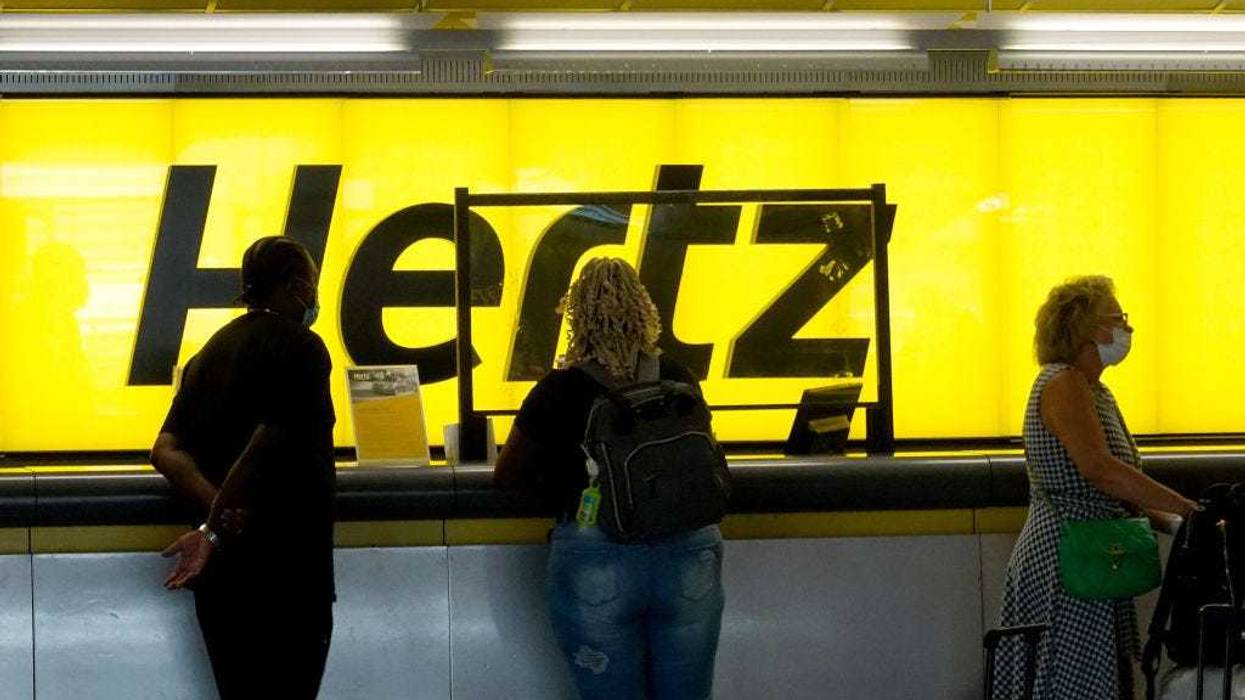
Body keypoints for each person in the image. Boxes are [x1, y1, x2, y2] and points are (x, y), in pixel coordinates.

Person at [494, 257, 725, 700]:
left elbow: (506, 475)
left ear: (577, 318)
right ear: (644, 310)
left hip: (596, 553)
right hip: (690, 551)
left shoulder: (558, 390)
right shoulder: (678, 378)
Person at [995, 276, 1197, 700]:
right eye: (1117, 319)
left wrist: (1175, 523)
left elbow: (1112, 489)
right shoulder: (1063, 383)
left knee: (1095, 677)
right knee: (1077, 680)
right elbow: (1100, 471)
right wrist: (1186, 509)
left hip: (1091, 556)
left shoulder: (1094, 390)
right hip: (1066, 560)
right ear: (1083, 328)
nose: (1127, 329)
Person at [152, 236, 336, 700]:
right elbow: (267, 442)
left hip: (222, 579)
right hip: (288, 571)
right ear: (295, 286)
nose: (313, 296)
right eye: (311, 283)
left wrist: (215, 516)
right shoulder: (303, 348)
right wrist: (217, 521)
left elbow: (165, 450)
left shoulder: (210, 352)